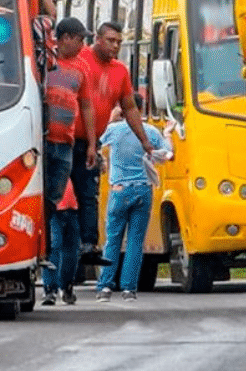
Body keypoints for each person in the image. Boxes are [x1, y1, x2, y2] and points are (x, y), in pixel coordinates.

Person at [72, 21, 155, 267]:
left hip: (91, 142)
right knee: (62, 199)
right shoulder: (81, 59)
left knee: (89, 195)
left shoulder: (119, 71)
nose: (115, 46)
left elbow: (130, 108)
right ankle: (60, 247)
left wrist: (145, 141)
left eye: (119, 41)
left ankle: (88, 245)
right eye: (110, 40)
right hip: (65, 139)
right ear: (97, 39)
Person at [94, 93, 171, 302]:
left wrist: (112, 118)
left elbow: (96, 141)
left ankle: (105, 287)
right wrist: (169, 134)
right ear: (142, 108)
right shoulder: (151, 132)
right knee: (136, 241)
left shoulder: (114, 130)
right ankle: (129, 289)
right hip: (143, 190)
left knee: (113, 240)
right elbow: (168, 153)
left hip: (119, 190)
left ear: (122, 108)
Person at [43, 17, 96, 269]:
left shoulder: (82, 67)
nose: (83, 44)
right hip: (42, 140)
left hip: (66, 142)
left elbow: (86, 105)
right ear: (64, 38)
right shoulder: (45, 60)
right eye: (79, 38)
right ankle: (42, 246)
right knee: (40, 196)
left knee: (54, 196)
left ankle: (44, 246)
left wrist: (93, 144)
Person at [41, 182, 81, 306]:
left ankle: (67, 287)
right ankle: (50, 289)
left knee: (72, 251)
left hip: (73, 207)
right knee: (54, 247)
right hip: (54, 210)